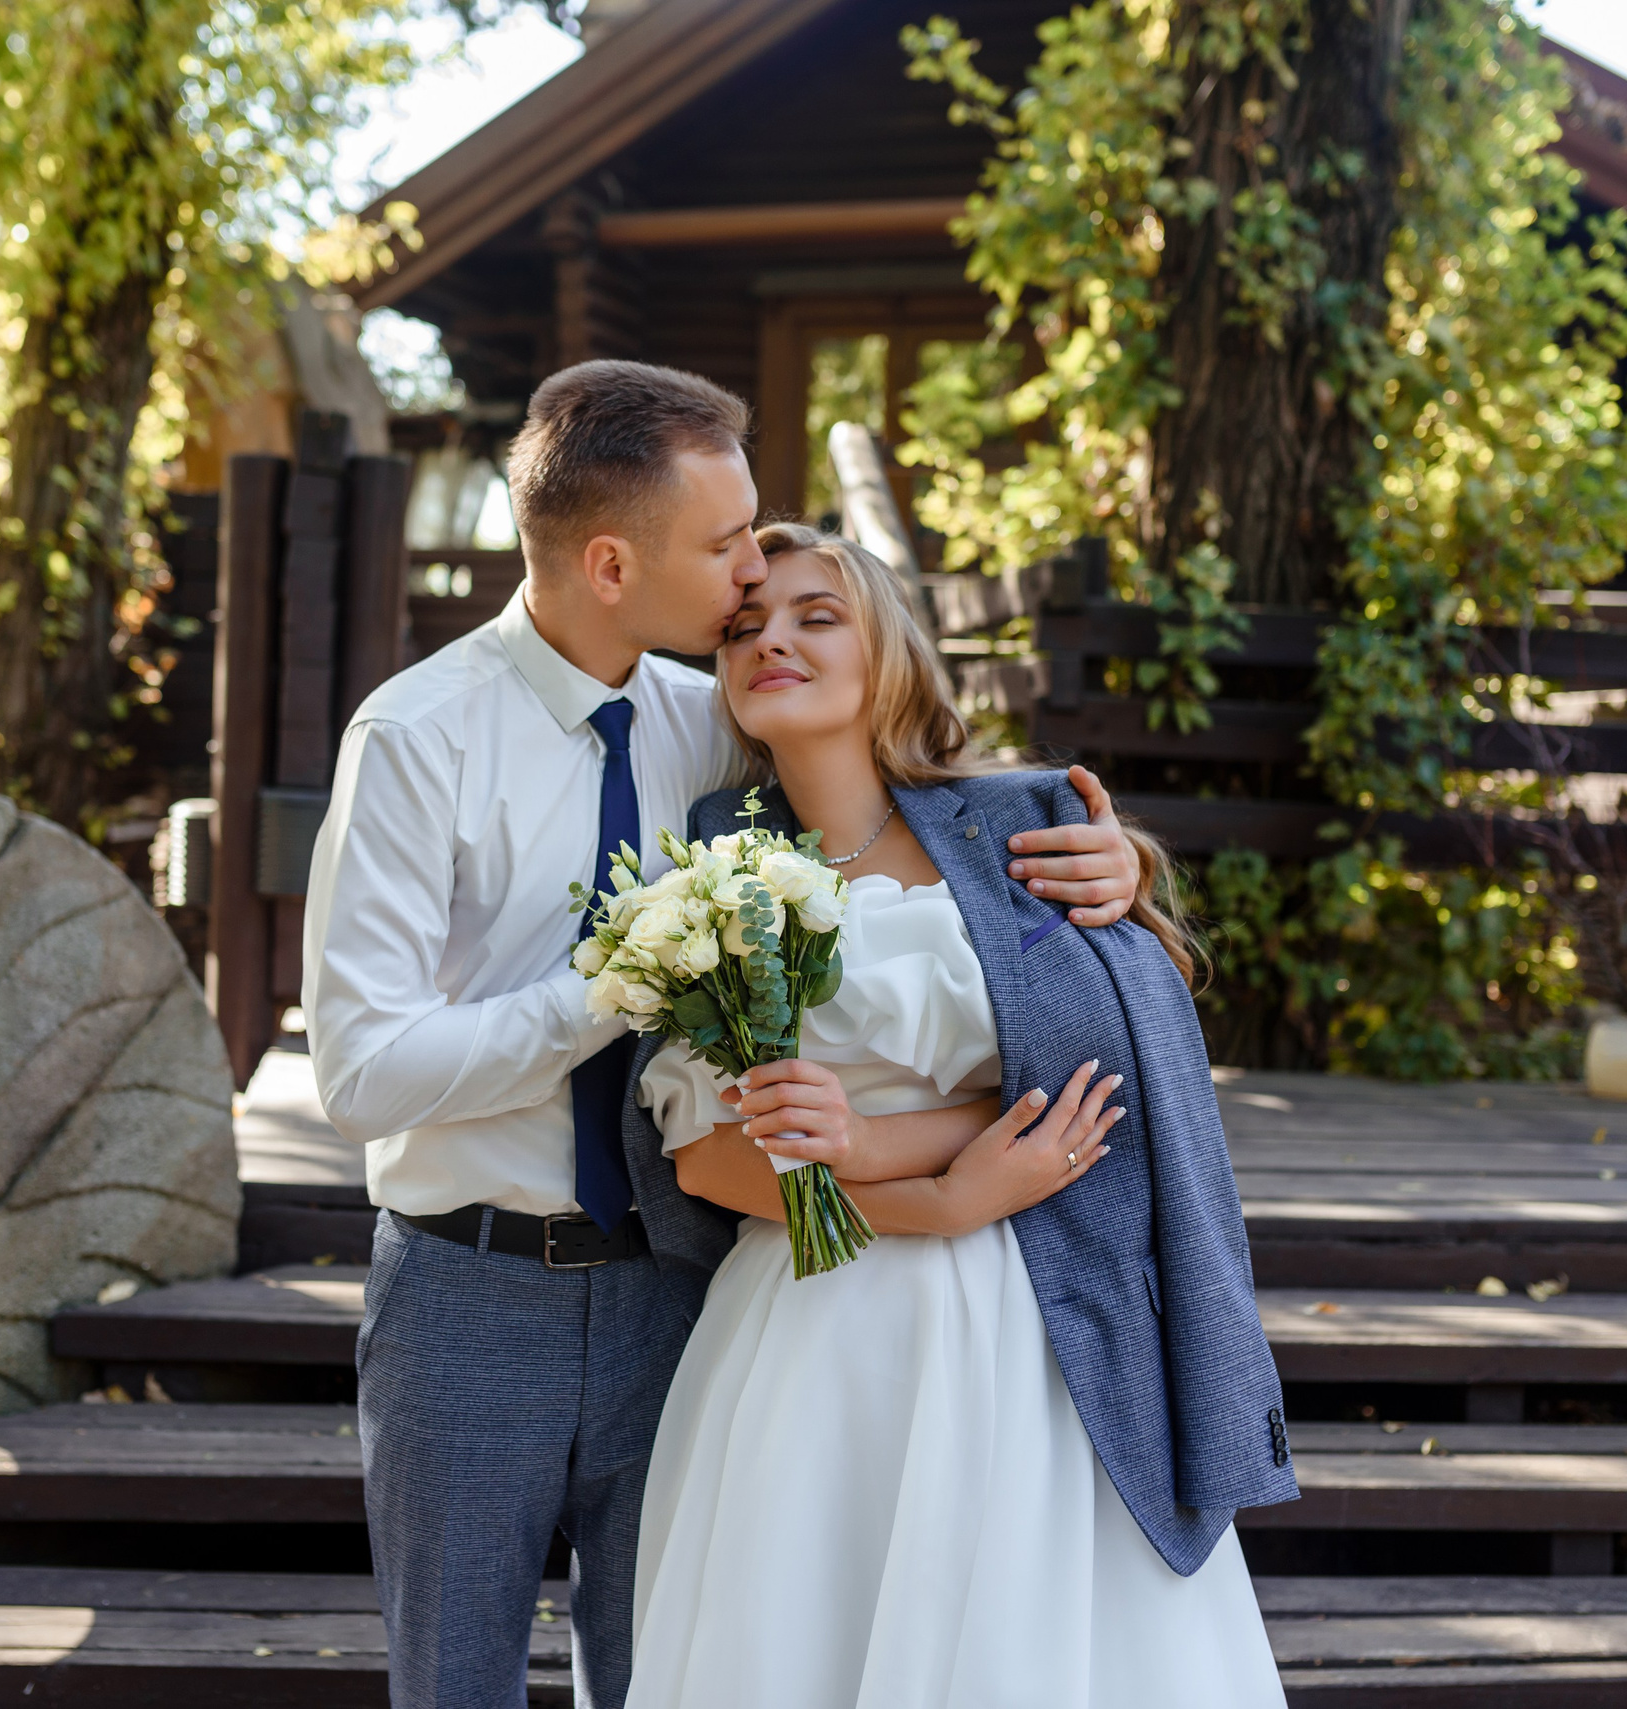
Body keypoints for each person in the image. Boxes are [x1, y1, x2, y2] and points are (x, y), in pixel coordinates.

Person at [301, 361, 1159, 1709]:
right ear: (609, 563)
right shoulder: (416, 737)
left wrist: (1108, 862)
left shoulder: (714, 723)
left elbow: (892, 796)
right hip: (471, 1294)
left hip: (682, 1285)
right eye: (726, 542)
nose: (753, 571)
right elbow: (360, 1073)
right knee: (453, 1687)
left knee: (681, 1678)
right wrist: (623, 976)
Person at [621, 525, 1296, 1709]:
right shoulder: (710, 860)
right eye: (744, 627)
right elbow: (704, 1159)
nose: (772, 639)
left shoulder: (1021, 823)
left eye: (817, 615)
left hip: (1032, 1302)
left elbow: (1114, 1067)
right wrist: (926, 1202)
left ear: (889, 648)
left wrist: (890, 1149)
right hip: (809, 1321)